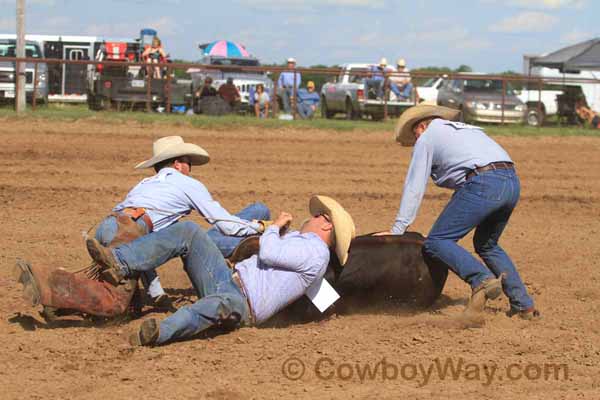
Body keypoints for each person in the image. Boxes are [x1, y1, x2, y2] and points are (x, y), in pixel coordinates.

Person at [14, 136, 271, 321]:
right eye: (189, 162)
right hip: (130, 231)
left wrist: (157, 293)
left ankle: (58, 303)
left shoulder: (145, 184)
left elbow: (150, 249)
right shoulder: (186, 182)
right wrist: (259, 226)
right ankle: (45, 280)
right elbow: (224, 224)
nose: (190, 168)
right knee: (115, 302)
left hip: (110, 224)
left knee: (119, 290)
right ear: (179, 163)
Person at [85, 195, 355, 347]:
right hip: (231, 283)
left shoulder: (315, 251)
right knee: (189, 231)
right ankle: (119, 261)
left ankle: (159, 332)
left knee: (214, 305)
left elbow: (270, 252)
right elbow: (320, 294)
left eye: (319, 215)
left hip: (240, 301)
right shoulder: (310, 250)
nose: (312, 216)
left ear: (327, 224)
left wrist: (276, 226)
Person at [378, 104, 539, 320]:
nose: (415, 141)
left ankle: (481, 278)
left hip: (483, 182)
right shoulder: (466, 130)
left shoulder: (427, 137)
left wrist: (398, 229)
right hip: (511, 181)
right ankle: (524, 306)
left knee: (437, 241)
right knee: (487, 244)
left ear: (422, 126)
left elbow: (415, 186)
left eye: (414, 135)